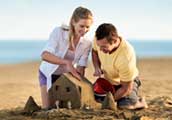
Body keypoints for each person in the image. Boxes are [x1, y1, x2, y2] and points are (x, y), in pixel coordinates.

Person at [39, 6, 93, 109]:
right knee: (47, 109)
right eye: (81, 26)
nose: (84, 30)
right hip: (47, 73)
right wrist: (66, 63)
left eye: (87, 27)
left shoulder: (87, 43)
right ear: (73, 22)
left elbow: (81, 67)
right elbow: (44, 55)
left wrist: (79, 84)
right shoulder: (58, 32)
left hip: (66, 76)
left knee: (67, 106)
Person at [92, 23, 148, 109]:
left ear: (114, 41)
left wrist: (110, 101)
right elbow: (94, 51)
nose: (100, 49)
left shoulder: (126, 56)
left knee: (125, 106)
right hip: (109, 80)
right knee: (93, 95)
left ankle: (140, 102)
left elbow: (126, 88)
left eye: (104, 47)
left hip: (126, 83)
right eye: (99, 45)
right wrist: (97, 67)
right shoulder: (98, 39)